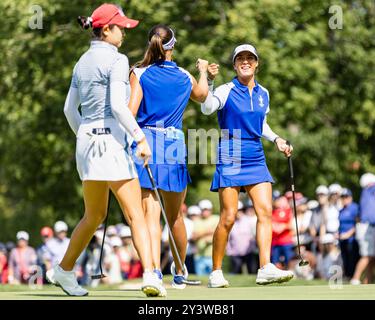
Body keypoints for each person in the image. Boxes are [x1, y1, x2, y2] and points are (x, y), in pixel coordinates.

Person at [45, 3, 165, 297]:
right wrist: (139, 137)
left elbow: (68, 109)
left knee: (94, 215)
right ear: (107, 29)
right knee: (135, 213)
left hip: (85, 142)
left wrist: (86, 137)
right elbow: (116, 105)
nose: (124, 32)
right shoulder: (118, 60)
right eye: (121, 27)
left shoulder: (81, 62)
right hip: (111, 142)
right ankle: (151, 274)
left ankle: (63, 270)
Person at [200, 44, 294, 287]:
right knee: (229, 217)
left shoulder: (264, 93)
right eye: (240, 58)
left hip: (255, 153)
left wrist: (277, 139)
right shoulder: (226, 89)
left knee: (265, 212)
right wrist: (209, 81)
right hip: (230, 151)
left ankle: (265, 267)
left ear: (256, 63)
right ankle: (217, 272)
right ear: (234, 64)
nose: (245, 62)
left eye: (249, 58)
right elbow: (207, 108)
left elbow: (261, 124)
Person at [128, 24, 211, 288]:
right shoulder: (186, 76)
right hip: (174, 144)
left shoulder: (139, 72)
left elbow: (130, 113)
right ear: (172, 46)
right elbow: (202, 95)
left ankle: (152, 273)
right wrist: (203, 72)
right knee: (174, 217)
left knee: (149, 214)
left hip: (146, 143)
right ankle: (179, 273)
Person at [351, 173, 375, 285]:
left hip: (368, 227)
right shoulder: (369, 191)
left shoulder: (368, 194)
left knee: (371, 257)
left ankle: (367, 281)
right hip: (367, 228)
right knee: (367, 256)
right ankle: (355, 279)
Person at [226, 201, 256, 274]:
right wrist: (229, 251)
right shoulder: (231, 223)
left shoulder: (249, 221)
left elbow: (254, 235)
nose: (238, 212)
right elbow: (228, 239)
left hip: (249, 251)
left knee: (252, 272)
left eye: (239, 210)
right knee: (236, 272)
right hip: (235, 253)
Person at [191, 199, 219, 276]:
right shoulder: (196, 221)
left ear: (211, 210)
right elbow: (193, 237)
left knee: (215, 278)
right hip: (199, 256)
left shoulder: (216, 218)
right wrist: (207, 232)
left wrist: (201, 234)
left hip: (213, 255)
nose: (205, 212)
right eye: (203, 210)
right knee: (201, 278)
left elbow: (218, 233)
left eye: (207, 209)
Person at [338, 188, 360, 279]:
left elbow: (358, 223)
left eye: (346, 197)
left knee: (352, 260)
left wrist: (348, 234)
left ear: (350, 197)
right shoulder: (341, 210)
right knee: (345, 260)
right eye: (342, 197)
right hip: (342, 239)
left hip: (352, 239)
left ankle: (354, 278)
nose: (344, 199)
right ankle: (347, 277)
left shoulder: (355, 208)